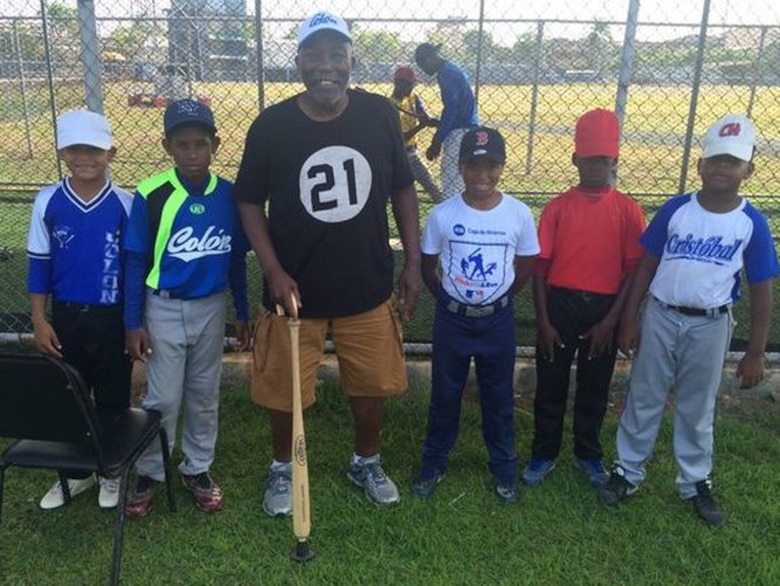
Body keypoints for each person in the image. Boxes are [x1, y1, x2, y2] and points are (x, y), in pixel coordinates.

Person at [232, 10, 422, 516]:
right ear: (297, 61)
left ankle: (366, 459)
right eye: (314, 55)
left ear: (352, 60)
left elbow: (403, 187)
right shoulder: (271, 125)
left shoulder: (379, 113)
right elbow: (248, 201)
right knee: (283, 388)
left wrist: (414, 264)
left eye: (337, 54)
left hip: (366, 279)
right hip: (295, 288)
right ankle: (280, 468)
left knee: (373, 382)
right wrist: (272, 268)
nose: (326, 66)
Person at [599, 114, 779, 527]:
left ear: (749, 169)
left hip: (712, 324)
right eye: (714, 159)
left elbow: (761, 288)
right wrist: (630, 319)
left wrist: (755, 352)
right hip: (661, 314)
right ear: (699, 164)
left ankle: (695, 480)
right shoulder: (677, 209)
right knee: (644, 395)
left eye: (732, 162)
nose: (721, 168)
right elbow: (645, 266)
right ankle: (628, 470)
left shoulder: (750, 221)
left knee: (698, 405)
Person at [123, 98, 250, 518]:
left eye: (201, 143)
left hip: (212, 306)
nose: (192, 153)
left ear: (216, 143)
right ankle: (151, 470)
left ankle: (197, 467)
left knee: (203, 394)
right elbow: (137, 260)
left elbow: (235, 260)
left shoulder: (230, 195)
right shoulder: (152, 193)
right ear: (167, 146)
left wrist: (243, 312)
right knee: (163, 396)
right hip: (162, 307)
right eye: (182, 144)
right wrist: (132, 322)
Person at [410, 126, 540, 502]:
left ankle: (503, 467)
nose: (483, 176)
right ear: (462, 167)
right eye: (474, 166)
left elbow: (527, 265)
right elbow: (429, 265)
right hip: (453, 320)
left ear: (502, 166)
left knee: (498, 395)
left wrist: (498, 299)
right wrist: (452, 300)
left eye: (492, 166)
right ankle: (433, 463)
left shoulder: (518, 213)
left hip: (497, 321)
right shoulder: (443, 214)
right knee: (445, 394)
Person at [522, 109, 646, 489]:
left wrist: (611, 321)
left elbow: (631, 272)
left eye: (604, 161)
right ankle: (544, 453)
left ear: (615, 161)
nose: (596, 168)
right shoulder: (558, 208)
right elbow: (540, 269)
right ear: (575, 160)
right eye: (588, 160)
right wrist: (543, 321)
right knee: (550, 384)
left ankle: (588, 454)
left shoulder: (628, 210)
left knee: (595, 386)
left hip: (605, 309)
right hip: (559, 304)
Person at [27, 109, 133, 510]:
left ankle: (111, 470)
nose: (84, 158)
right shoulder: (48, 200)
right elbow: (40, 264)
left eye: (94, 150)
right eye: (74, 150)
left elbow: (135, 269)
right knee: (70, 394)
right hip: (67, 317)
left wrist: (133, 322)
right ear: (62, 153)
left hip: (113, 316)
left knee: (113, 394)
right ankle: (75, 473)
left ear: (111, 153)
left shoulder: (126, 203)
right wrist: (40, 319)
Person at [414, 42, 479, 200]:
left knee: (450, 179)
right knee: (464, 179)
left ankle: (451, 217)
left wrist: (437, 141)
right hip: (469, 127)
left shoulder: (446, 73)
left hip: (460, 132)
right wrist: (440, 122)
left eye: (422, 64)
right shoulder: (452, 67)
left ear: (431, 58)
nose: (423, 69)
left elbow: (451, 108)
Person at [390, 65, 443, 202]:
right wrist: (421, 126)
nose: (412, 87)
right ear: (398, 83)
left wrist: (430, 120)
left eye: (413, 84)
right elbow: (400, 138)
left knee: (432, 188)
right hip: (401, 154)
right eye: (409, 84)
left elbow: (422, 113)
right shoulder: (391, 106)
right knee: (427, 189)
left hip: (412, 152)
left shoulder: (412, 97)